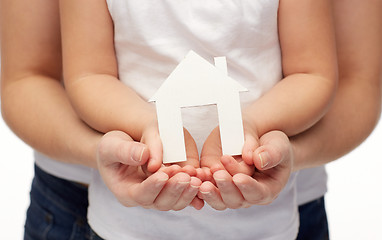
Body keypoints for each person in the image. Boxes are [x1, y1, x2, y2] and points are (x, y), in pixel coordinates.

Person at [1, 0, 381, 239]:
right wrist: (145, 130)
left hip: (266, 220)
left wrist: (252, 128)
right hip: (121, 223)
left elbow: (319, 74)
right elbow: (82, 75)